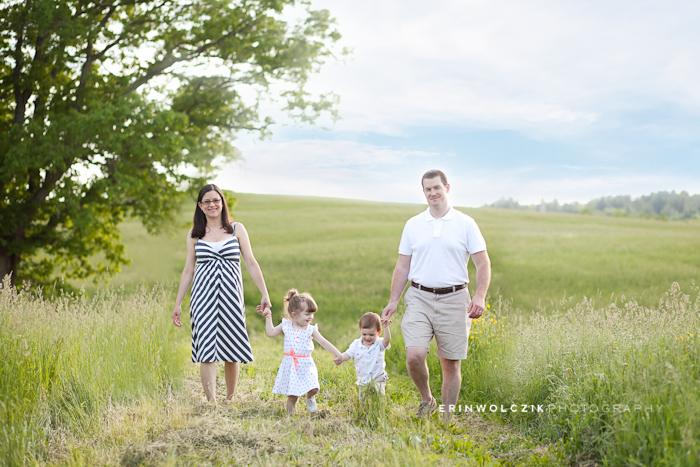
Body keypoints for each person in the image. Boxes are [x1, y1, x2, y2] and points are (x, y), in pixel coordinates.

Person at [381, 170, 491, 423]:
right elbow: (402, 266)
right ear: (423, 192)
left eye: (436, 188)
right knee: (415, 355)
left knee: (450, 364)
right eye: (427, 189)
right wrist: (394, 300)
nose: (432, 193)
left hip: (455, 299)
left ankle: (447, 417)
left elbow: (483, 263)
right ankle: (427, 400)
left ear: (447, 187)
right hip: (419, 296)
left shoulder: (465, 223)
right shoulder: (414, 224)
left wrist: (480, 296)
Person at [172, 184, 272, 405]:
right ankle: (212, 403)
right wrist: (178, 303)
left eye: (215, 200)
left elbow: (251, 262)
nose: (212, 205)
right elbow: (189, 269)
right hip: (202, 297)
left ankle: (230, 398)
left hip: (231, 297)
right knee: (206, 348)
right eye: (206, 201)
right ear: (200, 206)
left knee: (231, 346)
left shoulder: (237, 229)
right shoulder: (194, 234)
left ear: (222, 202)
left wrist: (264, 293)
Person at [262, 289, 343, 415]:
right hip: (291, 365)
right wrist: (268, 317)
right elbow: (270, 333)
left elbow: (324, 342)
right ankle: (290, 416)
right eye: (307, 314)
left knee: (314, 387)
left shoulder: (310, 329)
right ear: (294, 315)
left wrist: (338, 354)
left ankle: (310, 397)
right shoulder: (286, 325)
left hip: (306, 364)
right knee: (292, 396)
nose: (311, 317)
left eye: (312, 314)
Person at [334, 312, 392, 400]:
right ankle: (363, 411)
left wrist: (386, 327)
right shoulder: (356, 344)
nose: (367, 337)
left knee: (379, 396)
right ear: (360, 330)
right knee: (363, 399)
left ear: (379, 332)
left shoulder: (379, 343)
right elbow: (348, 354)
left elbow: (387, 340)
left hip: (378, 377)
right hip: (363, 378)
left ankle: (379, 409)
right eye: (364, 334)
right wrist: (341, 358)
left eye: (371, 335)